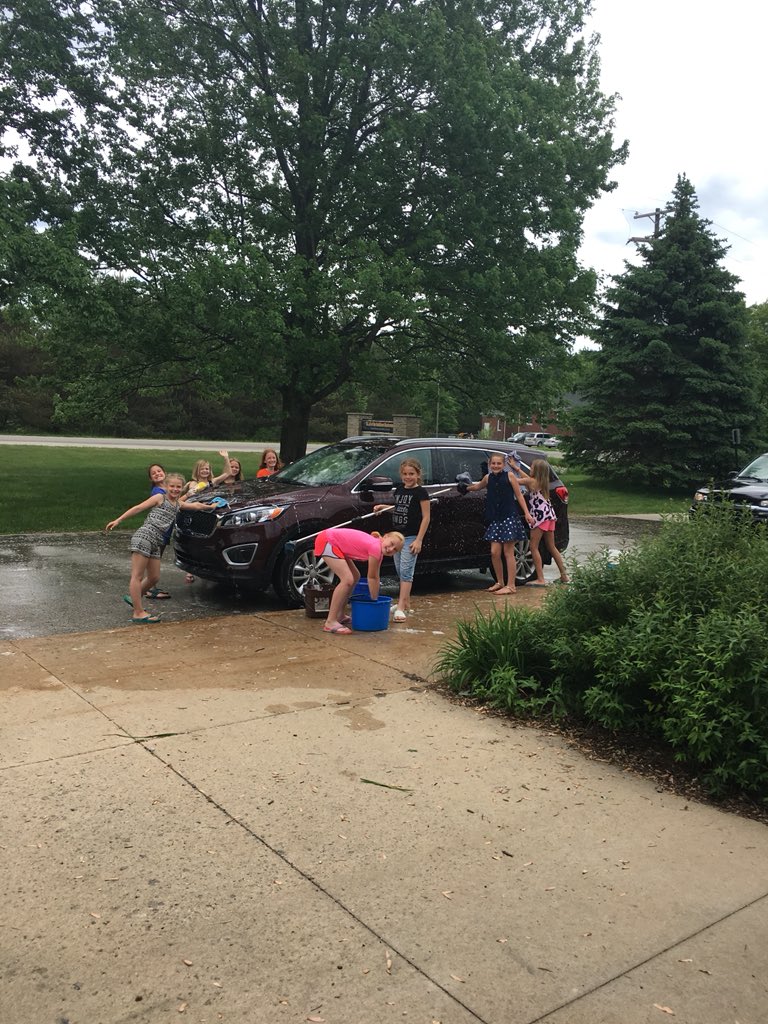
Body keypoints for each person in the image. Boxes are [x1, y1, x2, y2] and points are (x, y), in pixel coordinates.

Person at [106, 474, 213, 624]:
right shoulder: (159, 498)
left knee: (154, 577)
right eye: (172, 486)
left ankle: (134, 597)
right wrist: (119, 519)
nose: (175, 489)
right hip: (145, 535)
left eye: (178, 487)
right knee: (137, 575)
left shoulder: (177, 504)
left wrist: (211, 507)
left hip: (157, 540)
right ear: (166, 486)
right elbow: (139, 507)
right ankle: (138, 612)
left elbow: (195, 506)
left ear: (182, 488)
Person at [459, 452, 534, 595]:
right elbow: (477, 487)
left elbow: (518, 495)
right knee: (494, 552)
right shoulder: (488, 478)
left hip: (509, 516)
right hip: (495, 518)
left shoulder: (510, 476)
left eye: (499, 463)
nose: (496, 466)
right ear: (489, 465)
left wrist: (527, 513)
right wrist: (465, 487)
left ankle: (511, 585)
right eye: (493, 463)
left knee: (508, 552)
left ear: (504, 465)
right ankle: (499, 582)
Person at [313, 527, 404, 635]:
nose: (391, 549)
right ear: (385, 537)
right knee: (347, 579)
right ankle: (330, 622)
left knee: (355, 576)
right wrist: (375, 601)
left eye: (395, 550)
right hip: (328, 540)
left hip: (334, 542)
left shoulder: (378, 549)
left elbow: (376, 576)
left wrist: (375, 598)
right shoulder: (376, 547)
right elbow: (372, 577)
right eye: (392, 543)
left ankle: (340, 615)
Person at [373, 457, 430, 621]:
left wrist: (419, 540)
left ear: (418, 474)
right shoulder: (399, 490)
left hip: (411, 537)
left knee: (406, 572)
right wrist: (385, 508)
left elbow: (426, 517)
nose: (408, 477)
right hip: (398, 538)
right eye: (405, 474)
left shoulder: (421, 492)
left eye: (411, 474)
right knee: (400, 570)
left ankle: (401, 607)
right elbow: (400, 509)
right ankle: (406, 603)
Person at [508, 458, 569, 586]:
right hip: (549, 515)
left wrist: (509, 474)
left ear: (537, 471)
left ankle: (540, 578)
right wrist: (518, 469)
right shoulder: (542, 482)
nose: (530, 469)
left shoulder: (531, 481)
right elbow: (527, 479)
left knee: (533, 547)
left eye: (532, 467)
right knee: (551, 547)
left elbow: (516, 481)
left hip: (540, 517)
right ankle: (564, 575)